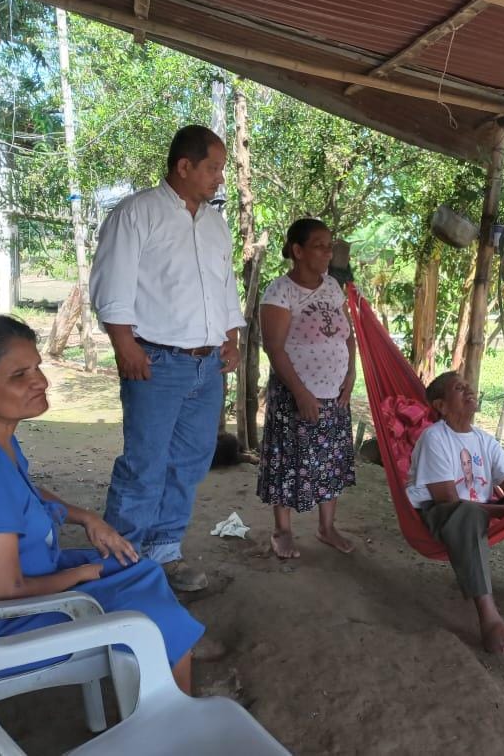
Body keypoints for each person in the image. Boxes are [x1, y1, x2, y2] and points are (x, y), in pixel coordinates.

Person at [0, 316, 204, 693]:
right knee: (148, 616)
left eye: (37, 367)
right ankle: (174, 686)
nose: (41, 381)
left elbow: (22, 494)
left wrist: (86, 518)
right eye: (19, 375)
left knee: (137, 566)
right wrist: (79, 576)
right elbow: (4, 592)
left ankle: (178, 645)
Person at [89, 125, 245, 592]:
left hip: (207, 365)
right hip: (156, 361)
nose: (220, 178)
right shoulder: (137, 213)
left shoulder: (215, 224)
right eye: (213, 168)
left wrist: (231, 336)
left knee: (190, 462)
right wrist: (124, 346)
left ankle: (163, 554)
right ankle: (122, 569)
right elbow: (112, 284)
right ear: (184, 166)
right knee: (144, 464)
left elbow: (225, 287)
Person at [407, 371, 504, 655]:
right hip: (441, 513)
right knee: (468, 514)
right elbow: (449, 500)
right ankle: (490, 620)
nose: (469, 390)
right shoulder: (434, 438)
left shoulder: (485, 441)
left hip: (479, 510)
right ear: (441, 406)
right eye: (459, 388)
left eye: (469, 386)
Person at [257, 218, 356, 559]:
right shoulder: (280, 292)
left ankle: (327, 528)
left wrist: (351, 374)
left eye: (330, 246)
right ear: (298, 251)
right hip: (296, 394)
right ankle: (282, 531)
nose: (328, 252)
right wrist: (300, 392)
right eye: (319, 246)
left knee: (331, 461)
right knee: (288, 460)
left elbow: (348, 335)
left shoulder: (332, 287)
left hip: (335, 393)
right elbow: (274, 347)